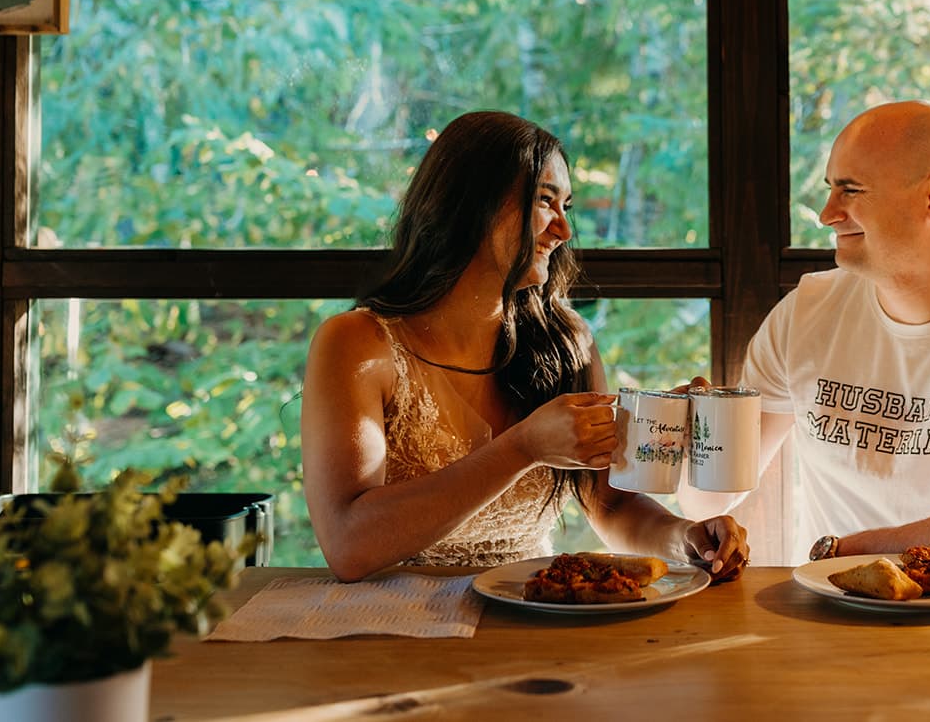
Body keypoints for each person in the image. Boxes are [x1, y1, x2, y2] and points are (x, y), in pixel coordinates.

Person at [302, 110, 748, 582]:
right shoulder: (358, 343)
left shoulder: (566, 341)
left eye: (567, 207)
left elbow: (611, 505)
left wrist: (686, 539)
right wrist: (523, 448)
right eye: (544, 201)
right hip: (393, 632)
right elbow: (348, 544)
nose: (563, 231)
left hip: (534, 620)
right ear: (469, 203)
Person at [682, 100, 930, 571]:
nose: (827, 213)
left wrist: (843, 553)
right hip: (833, 620)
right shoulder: (805, 312)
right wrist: (694, 436)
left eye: (850, 190)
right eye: (830, 189)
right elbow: (705, 502)